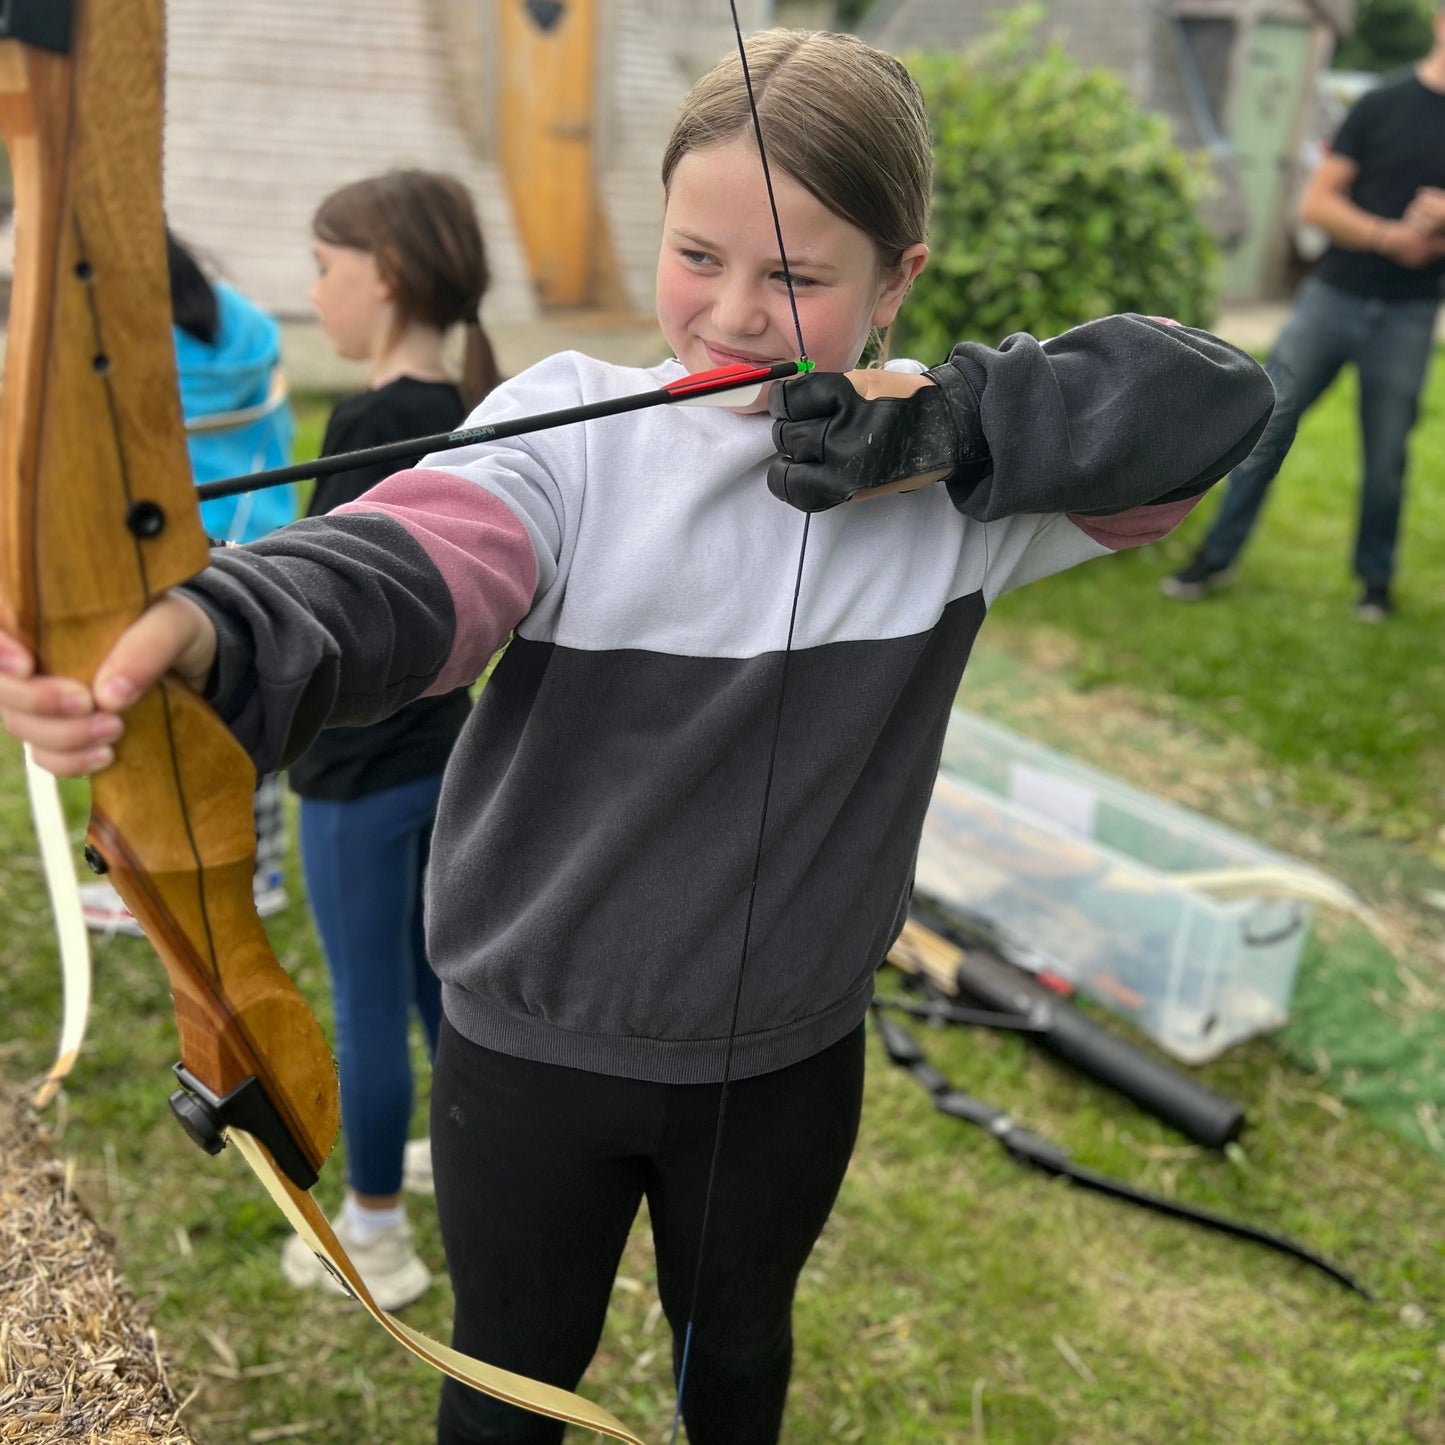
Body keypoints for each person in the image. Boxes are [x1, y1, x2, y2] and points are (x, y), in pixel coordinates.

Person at [0, 31, 1272, 1445]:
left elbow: (1215, 403)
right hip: (531, 1051)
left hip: (783, 1062)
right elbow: (405, 573)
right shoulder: (559, 434)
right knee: (510, 1366)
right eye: (694, 255)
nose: (730, 313)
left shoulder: (951, 495)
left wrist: (952, 429)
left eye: (795, 275)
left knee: (730, 1356)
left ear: (898, 278)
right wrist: (215, 632)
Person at [277, 170, 501, 1311]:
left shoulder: (372, 418)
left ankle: (376, 1237)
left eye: (324, 268)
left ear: (387, 277)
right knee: (433, 991)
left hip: (361, 774)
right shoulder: (459, 407)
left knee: (367, 1003)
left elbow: (324, 612)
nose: (312, 291)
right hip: (439, 754)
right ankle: (466, 1177)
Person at [1163, 3, 1445, 621]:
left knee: (1387, 457)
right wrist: (1388, 236)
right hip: (1333, 298)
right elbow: (1316, 205)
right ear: (1440, 24)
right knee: (1266, 426)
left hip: (1411, 314)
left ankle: (1375, 585)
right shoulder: (1382, 105)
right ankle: (1215, 554)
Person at [78, 231, 297, 936]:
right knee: (248, 709)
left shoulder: (128, 341)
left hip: (170, 544)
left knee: (156, 715)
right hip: (258, 530)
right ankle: (258, 869)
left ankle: (146, 879)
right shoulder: (246, 325)